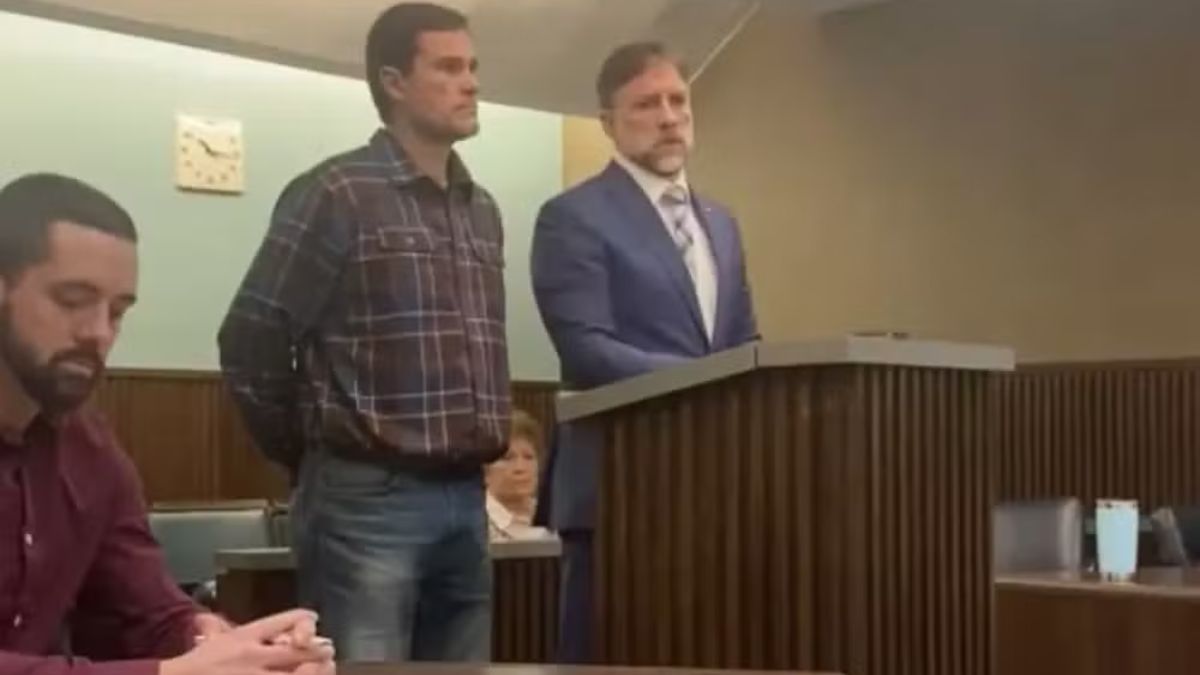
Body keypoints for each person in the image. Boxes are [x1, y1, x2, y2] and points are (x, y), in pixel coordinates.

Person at [218, 1, 510, 663]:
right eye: (448, 68)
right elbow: (252, 335)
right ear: (394, 82)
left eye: (472, 67)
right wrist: (310, 452)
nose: (471, 83)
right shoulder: (337, 191)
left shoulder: (482, 209)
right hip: (367, 497)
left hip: (467, 493)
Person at [0, 172, 334, 675]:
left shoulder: (88, 447)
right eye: (71, 301)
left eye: (118, 312)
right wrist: (173, 674)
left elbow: (144, 609)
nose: (98, 333)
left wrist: (224, 643)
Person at [529, 41, 759, 662]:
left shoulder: (721, 223)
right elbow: (588, 349)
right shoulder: (573, 217)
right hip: (617, 482)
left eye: (678, 100)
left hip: (715, 485)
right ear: (608, 122)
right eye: (646, 105)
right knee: (606, 653)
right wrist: (710, 384)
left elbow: (744, 343)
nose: (668, 117)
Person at [485, 409, 552, 541]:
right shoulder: (475, 525)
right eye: (507, 458)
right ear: (484, 470)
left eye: (528, 457)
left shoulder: (552, 516)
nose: (520, 468)